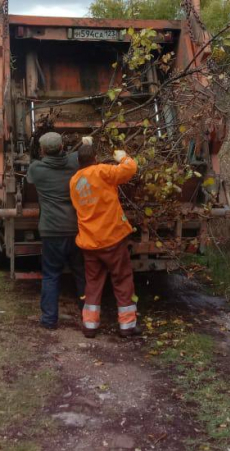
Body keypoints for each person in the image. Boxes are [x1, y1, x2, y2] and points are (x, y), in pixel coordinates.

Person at [69, 141, 141, 338]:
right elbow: (130, 169)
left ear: (78, 161)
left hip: (90, 242)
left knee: (93, 282)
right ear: (95, 158)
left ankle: (89, 326)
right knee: (122, 279)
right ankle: (127, 326)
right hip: (112, 239)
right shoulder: (103, 171)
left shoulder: (74, 181)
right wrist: (122, 157)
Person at [26, 132, 86, 330]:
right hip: (76, 228)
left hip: (51, 231)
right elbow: (84, 154)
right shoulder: (75, 162)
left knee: (51, 275)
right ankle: (88, 313)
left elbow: (29, 178)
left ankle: (49, 319)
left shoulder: (36, 169)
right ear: (62, 147)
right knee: (81, 273)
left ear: (43, 150)